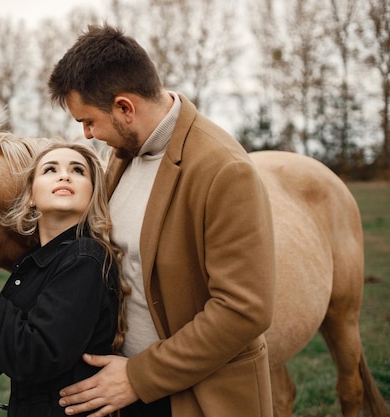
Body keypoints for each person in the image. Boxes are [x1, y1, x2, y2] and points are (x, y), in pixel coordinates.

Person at [48, 24, 276, 417]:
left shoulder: (224, 170)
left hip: (197, 396)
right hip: (123, 390)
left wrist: (138, 376)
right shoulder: (122, 152)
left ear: (124, 108)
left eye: (88, 121)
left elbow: (245, 310)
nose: (86, 135)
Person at [0, 142, 129, 417]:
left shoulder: (86, 257)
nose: (64, 175)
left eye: (78, 171)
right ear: (31, 195)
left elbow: (36, 356)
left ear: (93, 195)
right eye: (50, 169)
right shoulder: (31, 267)